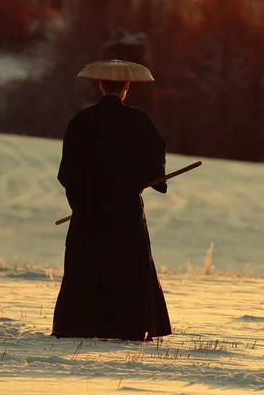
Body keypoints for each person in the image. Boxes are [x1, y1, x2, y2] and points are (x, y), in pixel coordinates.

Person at [51, 60, 172, 341]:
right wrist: (153, 180)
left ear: (101, 85)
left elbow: (67, 170)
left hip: (88, 212)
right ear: (127, 87)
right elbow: (155, 159)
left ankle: (79, 325)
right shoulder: (139, 122)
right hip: (126, 211)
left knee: (86, 265)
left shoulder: (81, 121)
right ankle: (129, 326)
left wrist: (80, 202)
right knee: (127, 266)